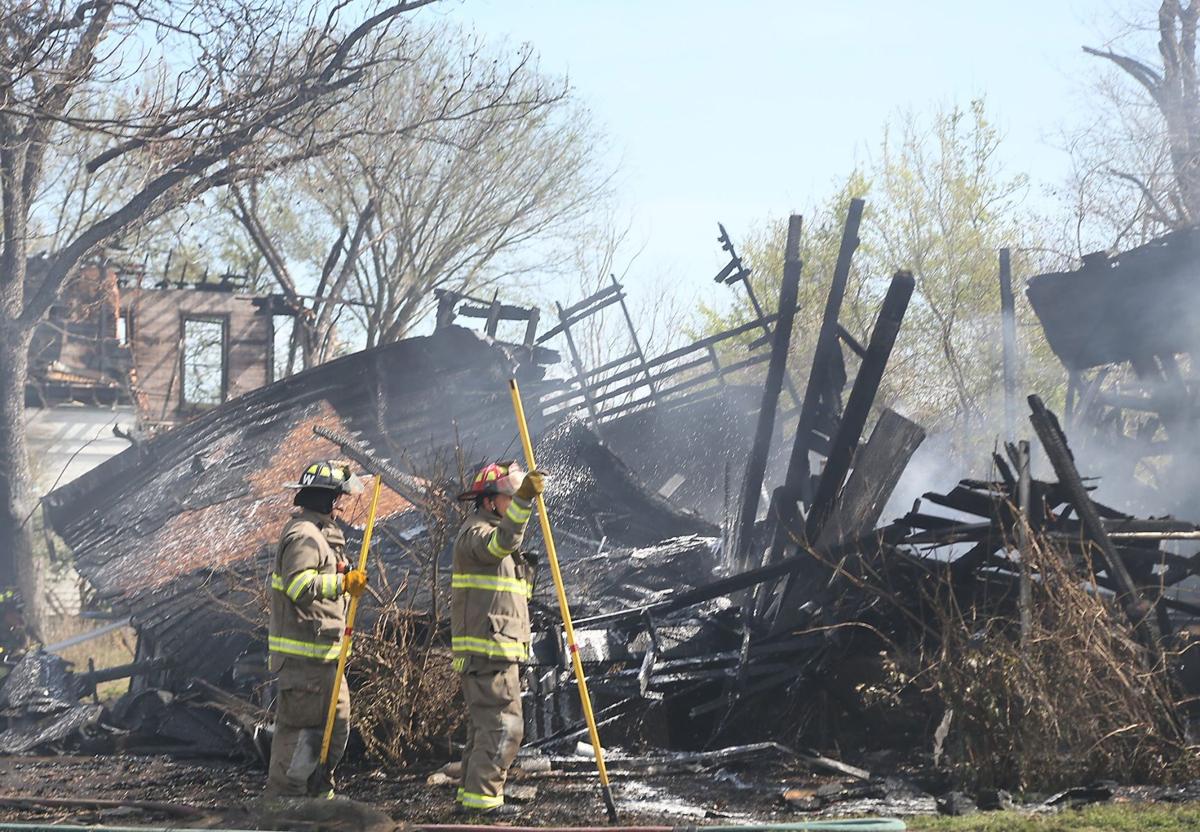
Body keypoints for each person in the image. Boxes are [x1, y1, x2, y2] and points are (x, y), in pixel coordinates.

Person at [265, 460, 369, 799]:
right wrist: (341, 583)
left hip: (326, 662)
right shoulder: (303, 536)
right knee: (300, 744)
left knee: (333, 736)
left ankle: (318, 805)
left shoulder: (322, 535)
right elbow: (298, 587)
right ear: (325, 500)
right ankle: (285, 813)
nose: (341, 504)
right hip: (304, 665)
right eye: (338, 497)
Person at [451, 460, 545, 815]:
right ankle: (484, 806)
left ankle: (471, 800)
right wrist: (526, 501)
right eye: (510, 497)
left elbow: (508, 595)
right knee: (504, 727)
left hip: (496, 648)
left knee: (484, 729)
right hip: (489, 650)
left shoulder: (488, 533)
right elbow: (499, 543)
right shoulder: (477, 534)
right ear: (490, 501)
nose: (516, 504)